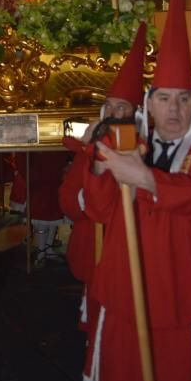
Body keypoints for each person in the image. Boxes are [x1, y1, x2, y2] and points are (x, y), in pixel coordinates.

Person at [82, 0, 191, 381]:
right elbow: (98, 212)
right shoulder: (132, 145)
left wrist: (148, 180)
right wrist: (101, 168)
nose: (175, 111)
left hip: (181, 302)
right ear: (148, 104)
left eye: (185, 100)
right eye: (165, 99)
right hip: (126, 297)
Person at [59, 22, 147, 331]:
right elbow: (68, 201)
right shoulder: (87, 148)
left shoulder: (145, 151)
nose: (114, 112)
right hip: (93, 254)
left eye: (122, 107)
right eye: (110, 105)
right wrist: (85, 196)